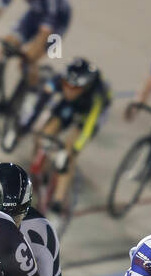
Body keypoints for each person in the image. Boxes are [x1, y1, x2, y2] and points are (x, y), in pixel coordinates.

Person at [32, 57, 111, 219]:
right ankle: (42, 169)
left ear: (85, 87)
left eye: (73, 87)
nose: (68, 90)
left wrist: (73, 150)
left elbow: (87, 130)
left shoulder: (96, 97)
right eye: (66, 85)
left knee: (68, 151)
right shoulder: (63, 80)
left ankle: (59, 198)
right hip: (71, 106)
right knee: (45, 133)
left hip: (88, 116)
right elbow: (42, 101)